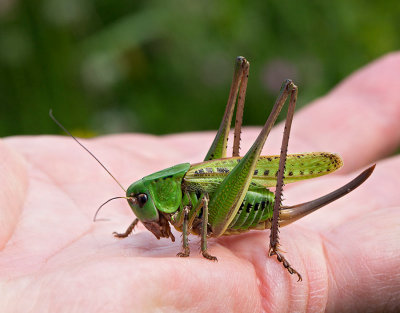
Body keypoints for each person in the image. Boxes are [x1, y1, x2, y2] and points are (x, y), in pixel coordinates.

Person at [0, 53, 399, 312]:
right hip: (223, 191)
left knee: (210, 192)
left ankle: (275, 244)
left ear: (154, 194)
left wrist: (198, 245)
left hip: (242, 204)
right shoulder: (154, 198)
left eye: (140, 205)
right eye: (138, 206)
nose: (143, 212)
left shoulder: (179, 194)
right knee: (208, 189)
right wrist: (129, 229)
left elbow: (205, 208)